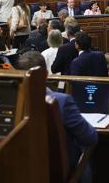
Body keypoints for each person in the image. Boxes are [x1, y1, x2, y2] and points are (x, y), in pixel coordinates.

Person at [16, 51, 98, 183]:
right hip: (63, 174)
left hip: (25, 172)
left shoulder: (12, 103)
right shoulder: (62, 101)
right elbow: (90, 137)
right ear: (46, 75)